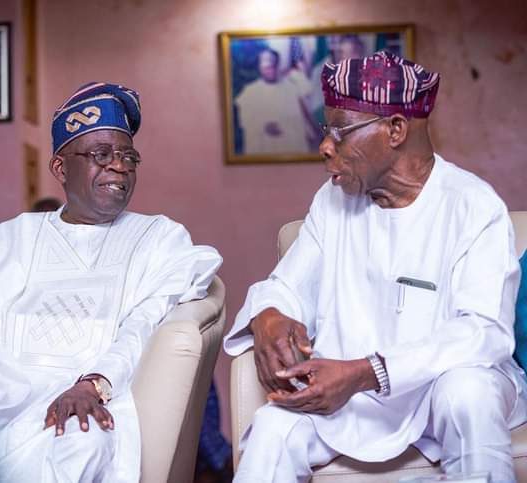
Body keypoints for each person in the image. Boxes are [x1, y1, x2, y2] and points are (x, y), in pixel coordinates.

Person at [224, 51, 527, 483]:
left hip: (435, 389)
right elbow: (288, 285)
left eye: (339, 132)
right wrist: (268, 314)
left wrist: (367, 372)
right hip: (350, 400)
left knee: (468, 391)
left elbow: (484, 332)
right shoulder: (332, 201)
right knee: (274, 427)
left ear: (396, 129)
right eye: (325, 131)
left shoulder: (472, 206)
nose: (325, 146)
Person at [0, 82, 222, 482]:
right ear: (60, 168)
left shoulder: (158, 238)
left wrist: (95, 384)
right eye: (101, 155)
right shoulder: (11, 238)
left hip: (86, 401)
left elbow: (143, 325)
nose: (119, 166)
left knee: (84, 440)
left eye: (128, 157)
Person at [235, 48, 313, 155]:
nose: (270, 69)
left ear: (278, 65)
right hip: (263, 148)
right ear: (259, 67)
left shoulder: (292, 88)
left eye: (273, 65)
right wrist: (264, 127)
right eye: (266, 66)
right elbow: (245, 121)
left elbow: (303, 118)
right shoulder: (250, 92)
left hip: (291, 148)